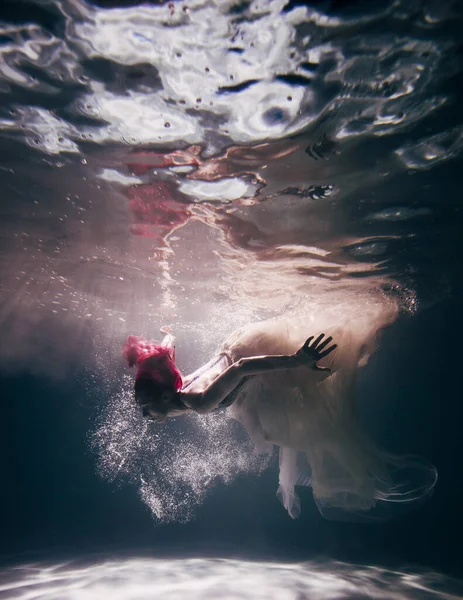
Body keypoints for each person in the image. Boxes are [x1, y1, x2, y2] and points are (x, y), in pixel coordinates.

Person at [123, 310, 437, 519]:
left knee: (324, 381)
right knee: (280, 428)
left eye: (145, 407)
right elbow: (164, 363)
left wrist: (296, 360)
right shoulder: (176, 387)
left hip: (253, 356)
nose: (143, 414)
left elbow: (243, 368)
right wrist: (168, 339)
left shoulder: (198, 400)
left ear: (164, 396)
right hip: (238, 353)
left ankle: (381, 324)